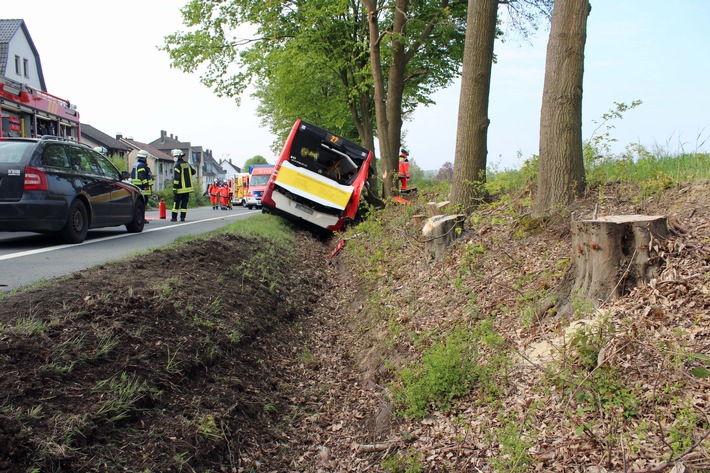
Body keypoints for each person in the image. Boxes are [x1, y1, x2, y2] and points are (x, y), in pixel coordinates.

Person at [170, 149, 196, 222]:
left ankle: (174, 218)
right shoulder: (187, 164)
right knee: (184, 204)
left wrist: (175, 187)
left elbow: (176, 178)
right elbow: (193, 172)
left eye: (174, 156)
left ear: (178, 156)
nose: (174, 157)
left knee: (176, 204)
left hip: (179, 188)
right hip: (187, 189)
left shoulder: (177, 165)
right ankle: (182, 218)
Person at [131, 150, 154, 223]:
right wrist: (146, 185)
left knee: (140, 203)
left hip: (137, 186)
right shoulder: (141, 165)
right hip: (142, 187)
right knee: (143, 203)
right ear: (144, 158)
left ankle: (141, 218)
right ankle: (141, 218)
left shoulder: (136, 164)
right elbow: (142, 176)